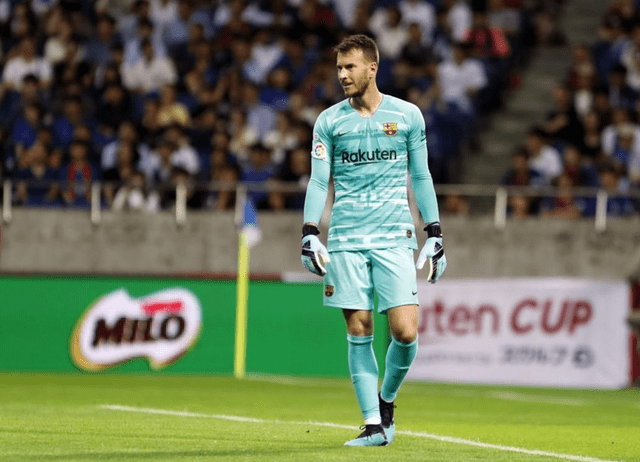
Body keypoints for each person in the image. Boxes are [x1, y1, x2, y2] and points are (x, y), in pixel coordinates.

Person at [300, 35, 446, 447]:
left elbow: (421, 177)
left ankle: (386, 402)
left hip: (395, 236)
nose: (342, 75)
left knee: (404, 331)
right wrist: (310, 231)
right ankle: (373, 426)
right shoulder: (329, 121)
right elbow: (317, 180)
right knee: (359, 326)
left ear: (372, 68)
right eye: (339, 68)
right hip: (345, 237)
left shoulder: (407, 116)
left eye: (350, 67)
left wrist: (433, 233)